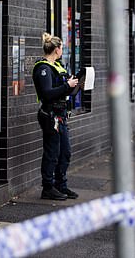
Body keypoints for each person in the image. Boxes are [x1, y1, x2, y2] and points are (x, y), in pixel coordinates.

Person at [32, 32, 79, 201]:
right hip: (50, 115)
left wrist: (75, 84)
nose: (62, 51)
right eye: (61, 48)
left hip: (60, 115)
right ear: (57, 49)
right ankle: (48, 187)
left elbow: (64, 91)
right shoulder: (43, 68)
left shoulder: (58, 66)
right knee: (52, 152)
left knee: (65, 152)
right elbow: (47, 94)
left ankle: (61, 185)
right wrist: (67, 85)